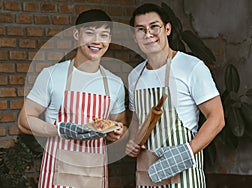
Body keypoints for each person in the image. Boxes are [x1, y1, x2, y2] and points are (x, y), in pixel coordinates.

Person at [18, 9, 127, 188]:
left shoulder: (114, 83)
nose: (97, 41)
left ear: (109, 39)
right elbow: (24, 121)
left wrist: (118, 133)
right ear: (76, 34)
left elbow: (121, 128)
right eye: (89, 33)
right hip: (57, 171)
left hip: (93, 173)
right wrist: (61, 130)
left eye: (104, 35)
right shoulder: (52, 74)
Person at [125, 3, 225, 188]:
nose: (148, 34)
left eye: (154, 26)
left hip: (184, 175)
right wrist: (133, 141)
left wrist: (187, 151)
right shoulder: (134, 77)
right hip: (147, 172)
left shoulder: (191, 67)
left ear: (167, 29)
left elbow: (217, 118)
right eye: (141, 29)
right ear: (135, 36)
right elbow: (136, 122)